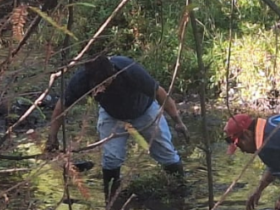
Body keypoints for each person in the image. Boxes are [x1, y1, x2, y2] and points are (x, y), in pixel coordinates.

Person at [45, 55, 189, 197]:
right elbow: (61, 108)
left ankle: (181, 190)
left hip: (145, 110)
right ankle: (112, 200)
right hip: (111, 114)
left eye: (105, 84)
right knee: (111, 159)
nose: (101, 89)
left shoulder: (129, 70)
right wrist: (52, 136)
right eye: (97, 86)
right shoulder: (81, 80)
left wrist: (178, 121)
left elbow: (160, 94)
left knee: (165, 153)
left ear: (113, 73)